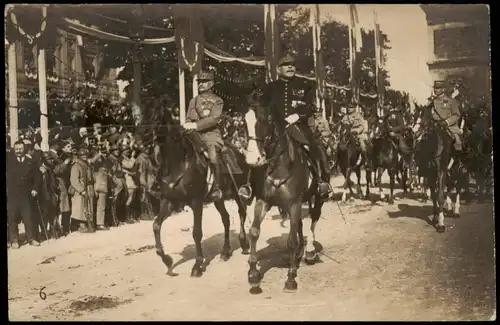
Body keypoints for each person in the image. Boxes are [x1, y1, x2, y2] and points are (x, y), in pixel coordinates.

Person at [259, 54, 332, 197]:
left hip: (298, 127)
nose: (290, 67)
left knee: (315, 147)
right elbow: (262, 107)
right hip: (275, 128)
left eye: (292, 65)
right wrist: (268, 119)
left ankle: (322, 180)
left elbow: (310, 107)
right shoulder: (270, 88)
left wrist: (298, 116)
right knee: (259, 150)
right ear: (279, 70)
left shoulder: (304, 85)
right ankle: (250, 184)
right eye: (286, 65)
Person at [182, 70, 225, 201]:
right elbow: (188, 117)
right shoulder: (193, 101)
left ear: (211, 84)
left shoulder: (217, 101)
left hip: (211, 135)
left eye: (204, 82)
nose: (201, 84)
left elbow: (214, 119)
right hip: (193, 135)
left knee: (212, 155)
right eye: (199, 82)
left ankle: (217, 187)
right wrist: (188, 125)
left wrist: (196, 125)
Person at [7, 140, 42, 248]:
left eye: (20, 149)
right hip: (12, 195)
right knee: (12, 218)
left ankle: (31, 238)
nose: (18, 151)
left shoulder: (30, 162)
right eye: (16, 149)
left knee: (28, 217)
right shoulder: (9, 162)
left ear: (24, 149)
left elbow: (37, 177)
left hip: (26, 195)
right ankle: (15, 240)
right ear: (14, 149)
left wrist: (35, 189)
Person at [431, 80, 462, 152]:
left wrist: (446, 122)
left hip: (449, 127)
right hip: (435, 127)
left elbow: (456, 115)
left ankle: (457, 161)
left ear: (443, 89)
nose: (435, 90)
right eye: (435, 88)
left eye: (438, 88)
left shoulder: (451, 101)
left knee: (457, 143)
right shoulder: (432, 101)